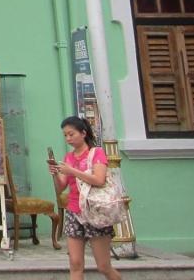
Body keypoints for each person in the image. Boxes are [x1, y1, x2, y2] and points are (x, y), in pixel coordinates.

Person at [48, 116, 122, 280]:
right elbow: (61, 188)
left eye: (71, 134)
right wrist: (55, 174)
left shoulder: (97, 153)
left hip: (96, 212)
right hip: (74, 211)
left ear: (83, 133)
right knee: (75, 264)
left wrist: (72, 171)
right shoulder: (68, 158)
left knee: (103, 266)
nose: (68, 139)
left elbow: (99, 179)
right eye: (65, 135)